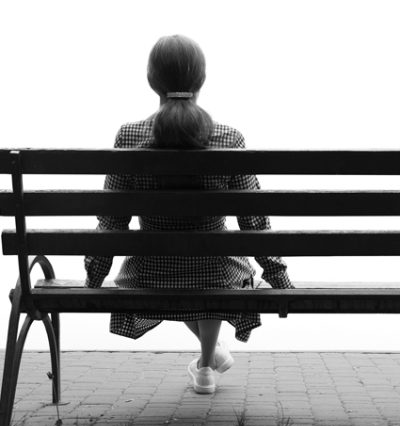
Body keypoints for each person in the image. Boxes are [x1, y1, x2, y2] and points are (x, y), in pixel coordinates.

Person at [84, 35, 293, 394]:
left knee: (188, 270)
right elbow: (255, 221)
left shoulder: (129, 135)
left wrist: (94, 276)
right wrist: (278, 278)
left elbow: (111, 221)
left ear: (152, 80)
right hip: (217, 271)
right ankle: (207, 364)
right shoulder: (229, 138)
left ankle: (208, 363)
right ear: (201, 79)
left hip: (153, 272)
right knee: (209, 265)